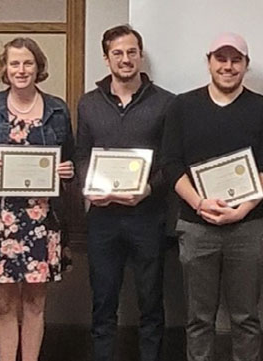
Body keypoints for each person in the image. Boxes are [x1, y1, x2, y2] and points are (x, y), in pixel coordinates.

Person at [158, 32, 263, 361]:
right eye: (221, 59)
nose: (228, 66)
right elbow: (170, 164)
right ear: (209, 61)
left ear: (246, 65)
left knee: (246, 318)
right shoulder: (182, 106)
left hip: (247, 226)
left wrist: (242, 209)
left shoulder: (262, 109)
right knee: (198, 319)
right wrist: (199, 203)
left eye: (236, 60)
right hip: (196, 225)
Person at [0, 37, 77, 361]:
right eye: (14, 63)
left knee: (35, 304)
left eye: (28, 63)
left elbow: (69, 159)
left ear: (38, 66)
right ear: (4, 68)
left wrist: (67, 170)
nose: (21, 69)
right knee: (3, 305)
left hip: (43, 221)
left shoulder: (57, 109)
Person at [74, 24, 176, 361]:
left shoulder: (166, 103)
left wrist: (148, 189)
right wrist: (89, 189)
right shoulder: (88, 104)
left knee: (150, 302)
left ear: (141, 55)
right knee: (103, 302)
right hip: (102, 218)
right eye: (117, 53)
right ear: (106, 59)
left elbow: (170, 161)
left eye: (132, 52)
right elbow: (82, 156)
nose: (126, 59)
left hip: (147, 215)